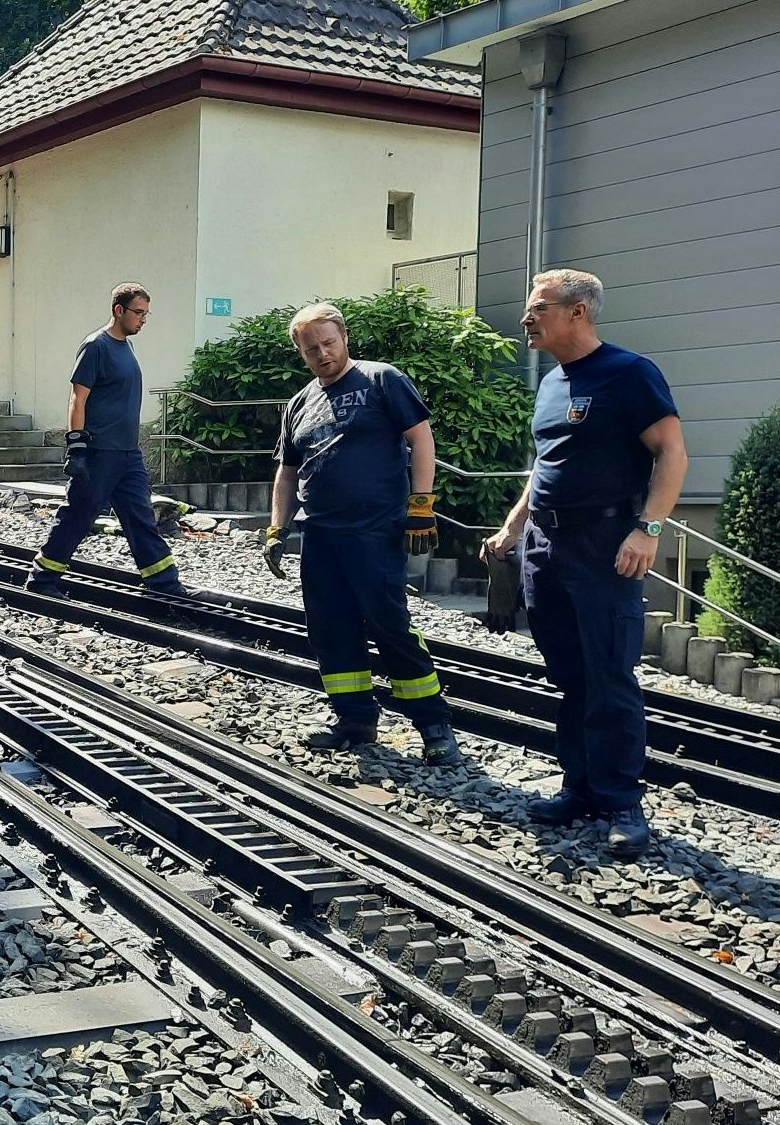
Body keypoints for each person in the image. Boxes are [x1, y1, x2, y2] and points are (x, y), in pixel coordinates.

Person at [482, 268, 684, 858]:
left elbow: (672, 452)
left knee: (609, 676)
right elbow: (547, 466)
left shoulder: (629, 373)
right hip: (546, 547)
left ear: (579, 313)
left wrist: (648, 529)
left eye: (539, 308)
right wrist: (514, 526)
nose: (527, 318)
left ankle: (621, 800)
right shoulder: (551, 384)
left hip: (605, 545)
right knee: (569, 675)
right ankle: (580, 788)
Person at [266, 302, 460, 766]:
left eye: (328, 343)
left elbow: (422, 438)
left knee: (389, 624)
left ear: (344, 337)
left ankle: (434, 725)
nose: (322, 354)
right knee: (331, 629)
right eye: (311, 349)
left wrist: (421, 506)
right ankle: (354, 720)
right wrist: (277, 528)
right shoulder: (299, 403)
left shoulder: (381, 379)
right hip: (322, 536)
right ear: (301, 353)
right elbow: (288, 473)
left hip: (374, 530)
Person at [26, 283, 186, 597]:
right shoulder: (95, 346)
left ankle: (164, 583)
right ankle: (42, 581)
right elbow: (77, 399)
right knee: (79, 516)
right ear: (118, 310)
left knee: (140, 516)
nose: (143, 320)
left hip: (128, 453)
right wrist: (77, 447)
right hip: (99, 452)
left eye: (146, 314)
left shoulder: (125, 346)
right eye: (138, 313)